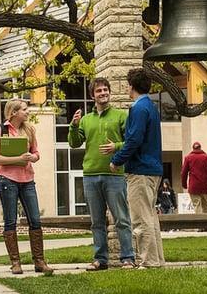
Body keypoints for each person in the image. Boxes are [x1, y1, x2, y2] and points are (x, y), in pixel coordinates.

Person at [68, 77, 136, 271]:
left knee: (122, 219)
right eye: (99, 91)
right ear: (93, 95)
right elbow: (74, 143)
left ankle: (128, 258)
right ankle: (100, 260)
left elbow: (131, 142)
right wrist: (73, 125)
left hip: (114, 175)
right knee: (97, 222)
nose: (103, 93)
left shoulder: (121, 116)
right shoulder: (86, 120)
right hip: (90, 175)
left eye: (105, 90)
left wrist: (116, 146)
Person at [0, 99, 53, 275]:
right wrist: (18, 160)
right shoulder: (1, 130)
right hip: (7, 179)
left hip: (27, 180)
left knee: (35, 220)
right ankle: (15, 263)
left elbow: (36, 152)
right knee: (10, 221)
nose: (28, 112)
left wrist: (33, 158)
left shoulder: (29, 129)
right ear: (14, 112)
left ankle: (39, 262)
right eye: (25, 109)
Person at [110, 68, 165, 269]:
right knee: (150, 218)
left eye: (127, 84)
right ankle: (156, 260)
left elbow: (133, 140)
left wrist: (117, 159)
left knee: (140, 219)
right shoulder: (150, 106)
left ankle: (148, 262)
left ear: (131, 86)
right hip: (152, 169)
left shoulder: (138, 108)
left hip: (140, 170)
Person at [181, 141, 207, 214]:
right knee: (205, 206)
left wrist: (184, 184)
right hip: (205, 186)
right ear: (200, 148)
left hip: (193, 186)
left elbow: (183, 173)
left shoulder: (188, 158)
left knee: (196, 205)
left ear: (193, 148)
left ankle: (198, 224)